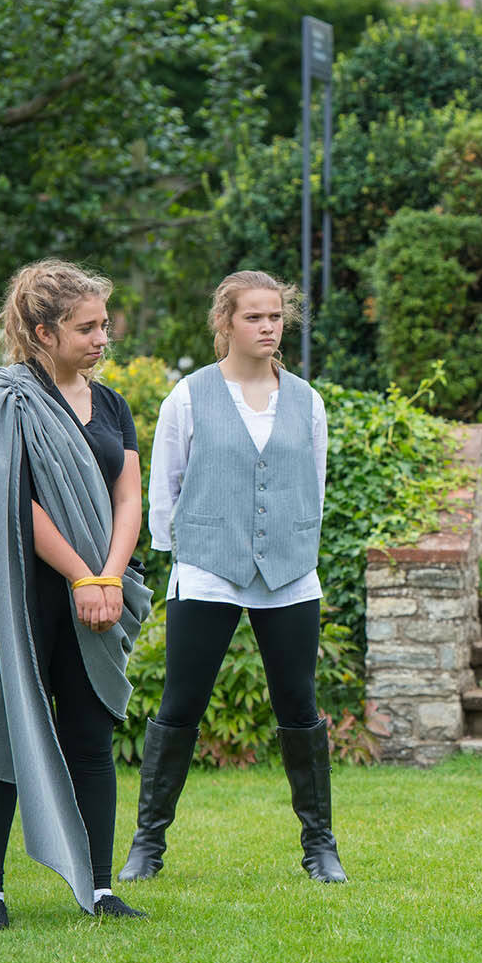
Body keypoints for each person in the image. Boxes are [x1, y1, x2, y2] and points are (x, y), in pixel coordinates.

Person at [117, 270, 344, 883]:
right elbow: (163, 488)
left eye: (275, 316)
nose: (268, 327)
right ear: (226, 323)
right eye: (254, 316)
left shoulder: (308, 401)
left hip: (291, 573)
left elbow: (312, 484)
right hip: (208, 568)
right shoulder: (188, 397)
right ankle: (147, 845)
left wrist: (294, 541)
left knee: (299, 706)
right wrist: (184, 554)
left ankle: (320, 846)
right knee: (181, 705)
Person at [0, 259, 153, 928]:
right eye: (86, 327)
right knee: (2, 728)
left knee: (90, 736)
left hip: (97, 589)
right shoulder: (4, 398)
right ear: (42, 331)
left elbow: (129, 495)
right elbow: (14, 501)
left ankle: (100, 887)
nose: (102, 339)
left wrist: (107, 576)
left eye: (103, 325)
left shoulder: (113, 405)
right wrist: (80, 574)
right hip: (22, 593)